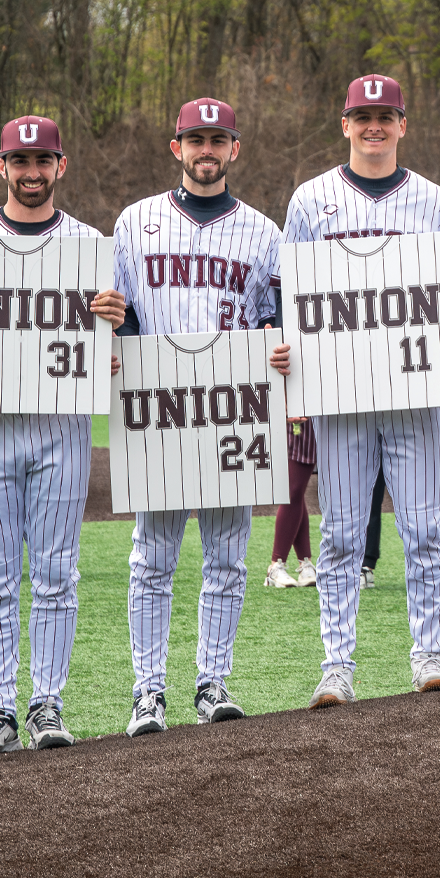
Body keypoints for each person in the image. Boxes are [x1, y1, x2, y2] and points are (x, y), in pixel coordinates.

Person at [0, 115, 128, 758]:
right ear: (0, 165)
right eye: (20, 161)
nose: (31, 173)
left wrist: (115, 324)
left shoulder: (91, 243)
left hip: (62, 426)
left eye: (43, 161)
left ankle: (47, 704)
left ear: (61, 166)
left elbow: (110, 340)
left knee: (58, 573)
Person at [278, 74, 440, 707]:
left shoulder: (434, 200)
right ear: (345, 124)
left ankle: (428, 655)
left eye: (386, 116)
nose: (374, 126)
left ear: (403, 125)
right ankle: (337, 665)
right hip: (340, 393)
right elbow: (291, 295)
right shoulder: (310, 199)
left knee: (423, 530)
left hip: (412, 391)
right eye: (363, 116)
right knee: (343, 532)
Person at [112, 98, 282, 735]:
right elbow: (120, 312)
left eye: (218, 139)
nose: (206, 150)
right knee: (150, 558)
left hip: (231, 412)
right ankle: (147, 690)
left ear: (234, 148)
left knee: (227, 560)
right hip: (157, 410)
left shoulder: (265, 232)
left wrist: (280, 343)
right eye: (195, 139)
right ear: (175, 146)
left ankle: (212, 682)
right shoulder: (135, 222)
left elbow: (273, 319)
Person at [266, 418, 317, 588]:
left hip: (313, 416)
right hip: (295, 416)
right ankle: (276, 565)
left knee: (297, 491)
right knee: (293, 490)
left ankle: (305, 563)